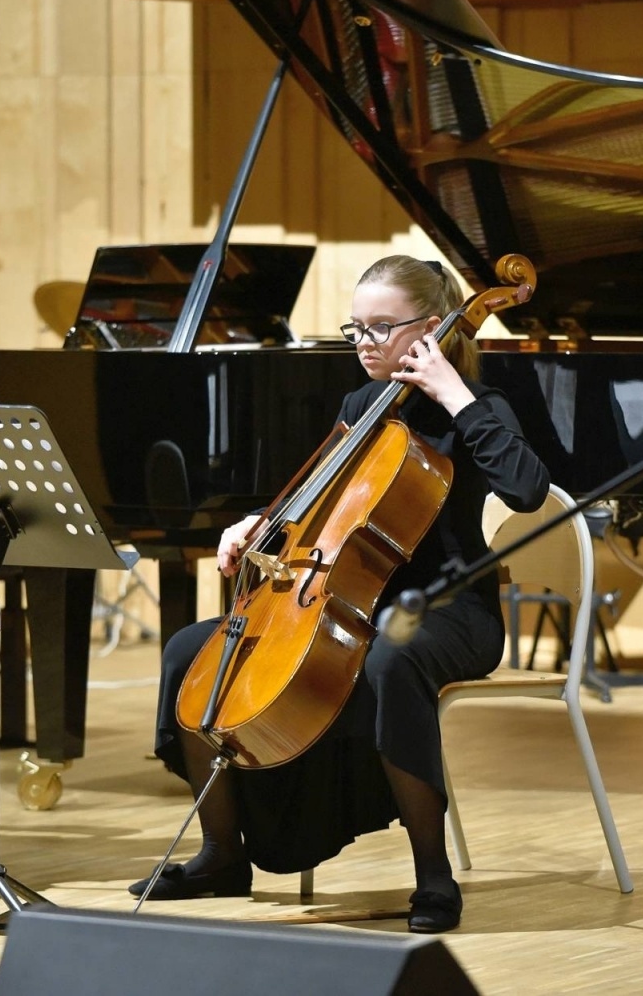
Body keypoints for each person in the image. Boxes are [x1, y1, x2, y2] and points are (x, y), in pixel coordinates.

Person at [130, 255, 549, 933]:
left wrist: (455, 396)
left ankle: (433, 875)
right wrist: (257, 527)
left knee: (391, 662)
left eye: (380, 328)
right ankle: (219, 853)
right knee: (188, 651)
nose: (363, 342)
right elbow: (322, 510)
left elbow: (527, 490)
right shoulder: (360, 406)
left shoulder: (479, 407)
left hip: (447, 606)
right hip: (349, 601)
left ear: (433, 328)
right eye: (355, 328)